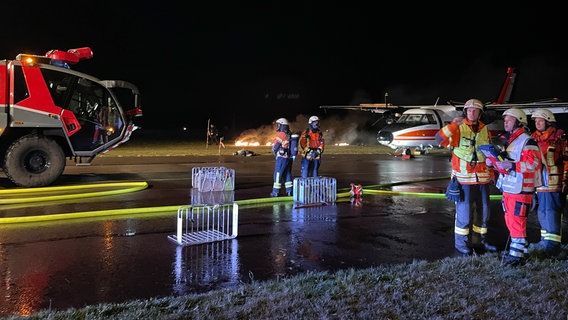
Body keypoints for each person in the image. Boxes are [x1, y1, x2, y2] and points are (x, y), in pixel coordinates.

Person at [436, 98, 497, 254]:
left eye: (475, 110)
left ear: (480, 113)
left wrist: (491, 172)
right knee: (464, 214)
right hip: (464, 180)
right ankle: (461, 244)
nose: (472, 112)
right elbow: (439, 139)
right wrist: (453, 125)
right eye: (469, 110)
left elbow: (488, 152)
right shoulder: (458, 128)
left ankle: (479, 242)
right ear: (465, 112)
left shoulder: (485, 129)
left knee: (483, 213)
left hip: (482, 179)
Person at [486, 108, 543, 266]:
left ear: (519, 122)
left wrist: (512, 165)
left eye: (509, 120)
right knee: (511, 221)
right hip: (509, 188)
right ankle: (520, 252)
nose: (505, 122)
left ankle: (516, 258)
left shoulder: (527, 141)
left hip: (521, 189)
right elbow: (505, 163)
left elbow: (534, 164)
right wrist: (492, 163)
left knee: (517, 222)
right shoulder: (508, 140)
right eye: (505, 120)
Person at [529, 109, 568, 256]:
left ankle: (553, 245)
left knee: (552, 212)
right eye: (536, 120)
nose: (537, 123)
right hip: (540, 183)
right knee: (542, 212)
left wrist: (565, 180)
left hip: (555, 183)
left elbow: (566, 160)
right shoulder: (533, 138)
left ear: (548, 121)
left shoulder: (559, 137)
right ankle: (545, 240)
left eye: (540, 120)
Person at [270, 118, 294, 197]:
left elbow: (276, 146)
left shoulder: (281, 134)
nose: (278, 126)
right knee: (287, 174)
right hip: (288, 158)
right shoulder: (289, 134)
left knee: (278, 174)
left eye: (279, 125)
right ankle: (290, 191)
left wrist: (274, 150)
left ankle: (275, 192)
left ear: (282, 125)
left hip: (281, 158)